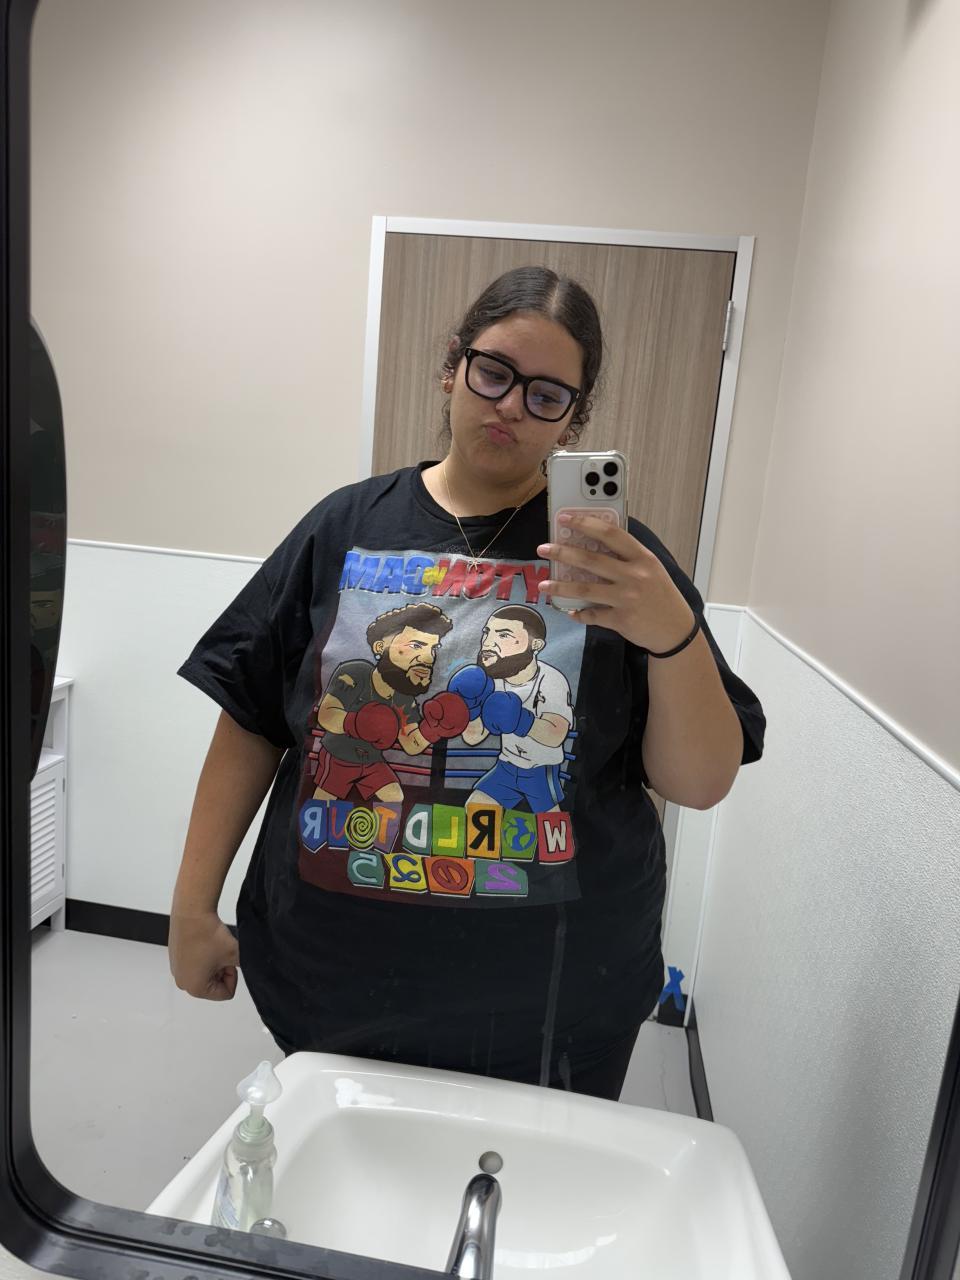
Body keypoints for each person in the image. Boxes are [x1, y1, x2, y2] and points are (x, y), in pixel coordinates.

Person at [169, 265, 765, 1101]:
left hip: (559, 1007)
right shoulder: (343, 527)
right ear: (453, 367)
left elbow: (699, 784)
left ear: (573, 419)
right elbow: (251, 720)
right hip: (334, 984)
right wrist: (192, 907)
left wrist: (673, 630)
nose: (512, 406)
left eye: (547, 395)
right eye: (494, 372)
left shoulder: (622, 568)